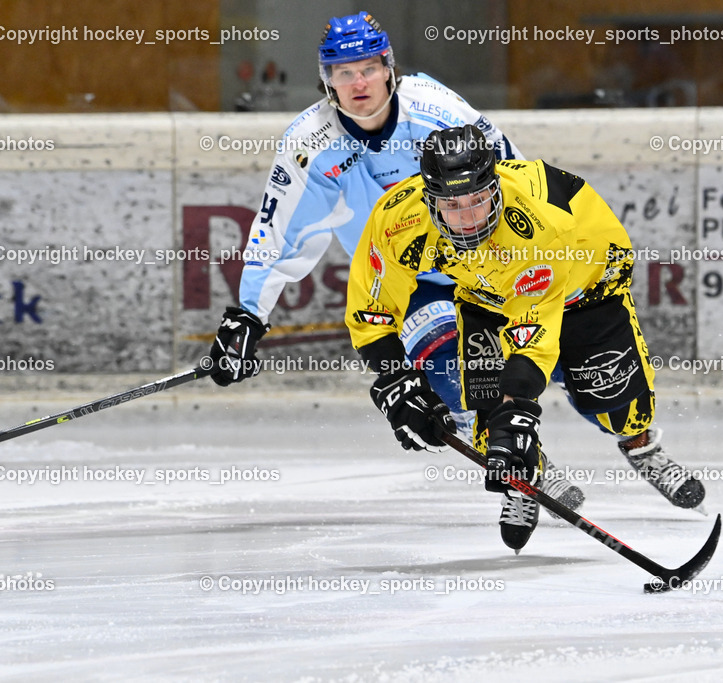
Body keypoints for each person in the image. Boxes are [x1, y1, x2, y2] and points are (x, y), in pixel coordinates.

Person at [206, 11, 584, 544]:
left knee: (565, 364)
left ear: (389, 68)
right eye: (343, 72)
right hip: (407, 281)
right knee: (454, 378)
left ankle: (640, 442)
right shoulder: (311, 142)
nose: (357, 82)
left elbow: (517, 178)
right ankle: (527, 472)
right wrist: (247, 316)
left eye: (367, 68)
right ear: (326, 80)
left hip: (487, 260)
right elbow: (279, 233)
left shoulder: (437, 113)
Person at [345, 124, 706, 550]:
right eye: (452, 205)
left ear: (495, 187)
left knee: (619, 405)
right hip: (486, 293)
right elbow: (371, 309)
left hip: (589, 284)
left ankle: (641, 446)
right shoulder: (397, 219)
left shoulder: (537, 226)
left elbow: (531, 338)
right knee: (487, 407)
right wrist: (396, 379)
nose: (468, 219)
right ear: (429, 200)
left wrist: (516, 412)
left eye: (478, 200)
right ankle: (524, 472)